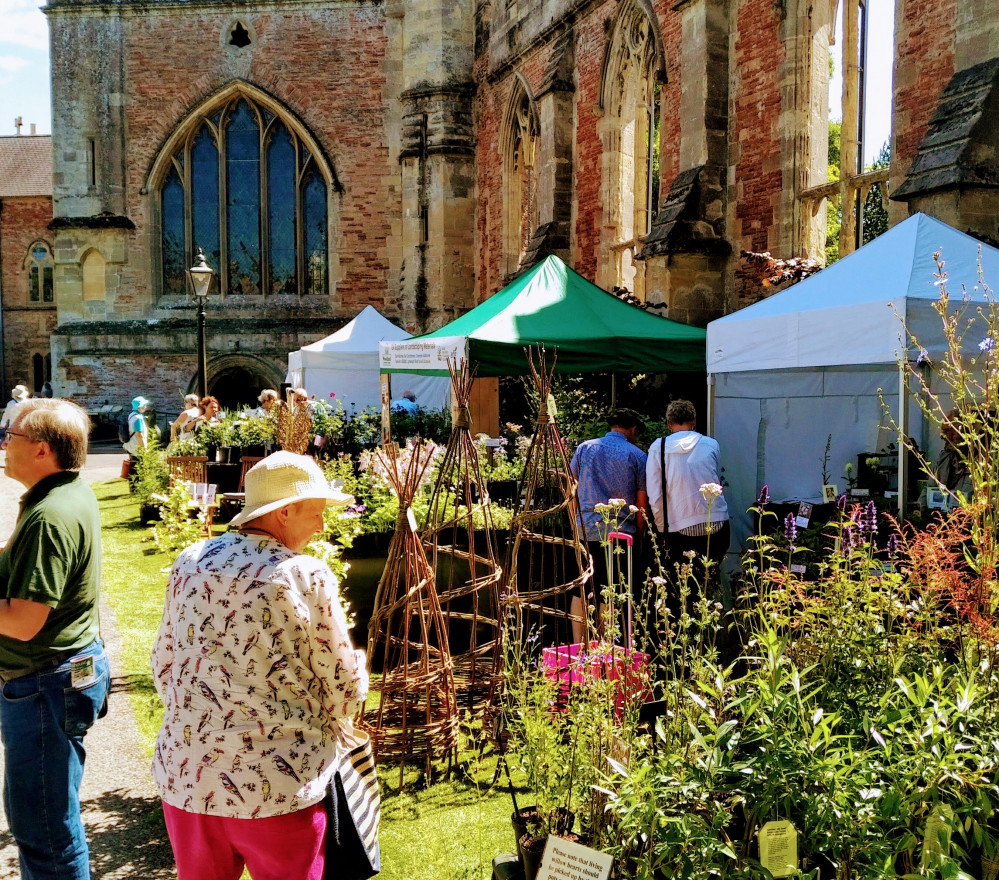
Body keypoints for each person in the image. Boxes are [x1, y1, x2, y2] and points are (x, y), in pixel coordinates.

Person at [152, 452, 368, 880]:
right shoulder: (305, 574)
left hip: (188, 778)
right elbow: (345, 691)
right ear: (284, 512)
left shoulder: (191, 560)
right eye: (317, 513)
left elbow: (163, 664)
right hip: (278, 786)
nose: (322, 526)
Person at [0, 398, 111, 879]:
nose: (4, 444)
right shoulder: (66, 492)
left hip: (45, 685)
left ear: (42, 449)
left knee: (46, 830)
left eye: (11, 436)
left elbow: (24, 621)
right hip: (59, 676)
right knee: (46, 820)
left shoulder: (50, 515)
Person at [569, 408, 648, 624]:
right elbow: (641, 503)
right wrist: (640, 536)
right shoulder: (638, 456)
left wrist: (576, 520)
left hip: (586, 529)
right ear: (632, 430)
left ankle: (579, 644)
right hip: (620, 533)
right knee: (610, 588)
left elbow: (570, 486)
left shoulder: (585, 448)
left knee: (581, 588)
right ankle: (605, 647)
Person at [646, 399, 730, 595]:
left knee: (682, 585)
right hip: (715, 523)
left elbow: (655, 493)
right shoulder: (711, 444)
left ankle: (688, 620)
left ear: (669, 424)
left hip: (677, 527)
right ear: (694, 420)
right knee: (710, 579)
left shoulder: (658, 448)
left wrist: (661, 527)